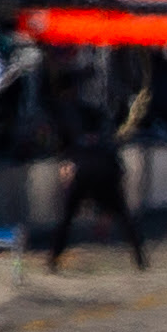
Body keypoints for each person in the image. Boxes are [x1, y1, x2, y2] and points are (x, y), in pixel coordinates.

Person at [45, 92, 144, 272]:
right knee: (124, 217)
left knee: (67, 218)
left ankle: (53, 258)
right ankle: (140, 258)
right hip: (104, 172)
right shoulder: (105, 140)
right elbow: (119, 171)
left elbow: (68, 161)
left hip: (84, 173)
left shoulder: (78, 139)